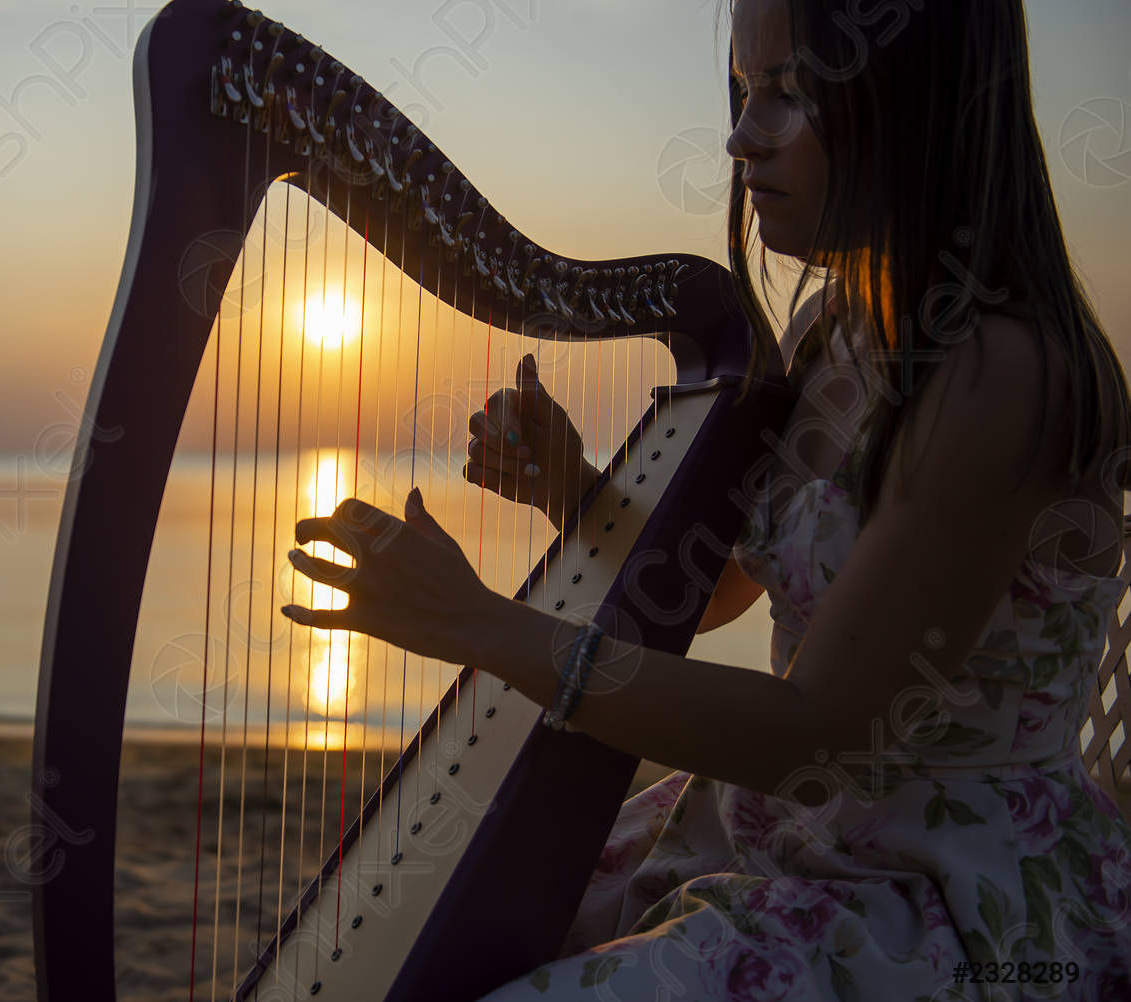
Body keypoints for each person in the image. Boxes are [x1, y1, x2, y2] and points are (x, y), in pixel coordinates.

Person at [279, 0, 1131, 997]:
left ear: (915, 99)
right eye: (742, 90)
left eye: (785, 94)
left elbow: (811, 733)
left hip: (940, 890)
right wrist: (571, 490)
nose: (739, 136)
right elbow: (723, 591)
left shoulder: (1002, 373)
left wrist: (478, 626)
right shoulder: (837, 326)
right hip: (791, 838)